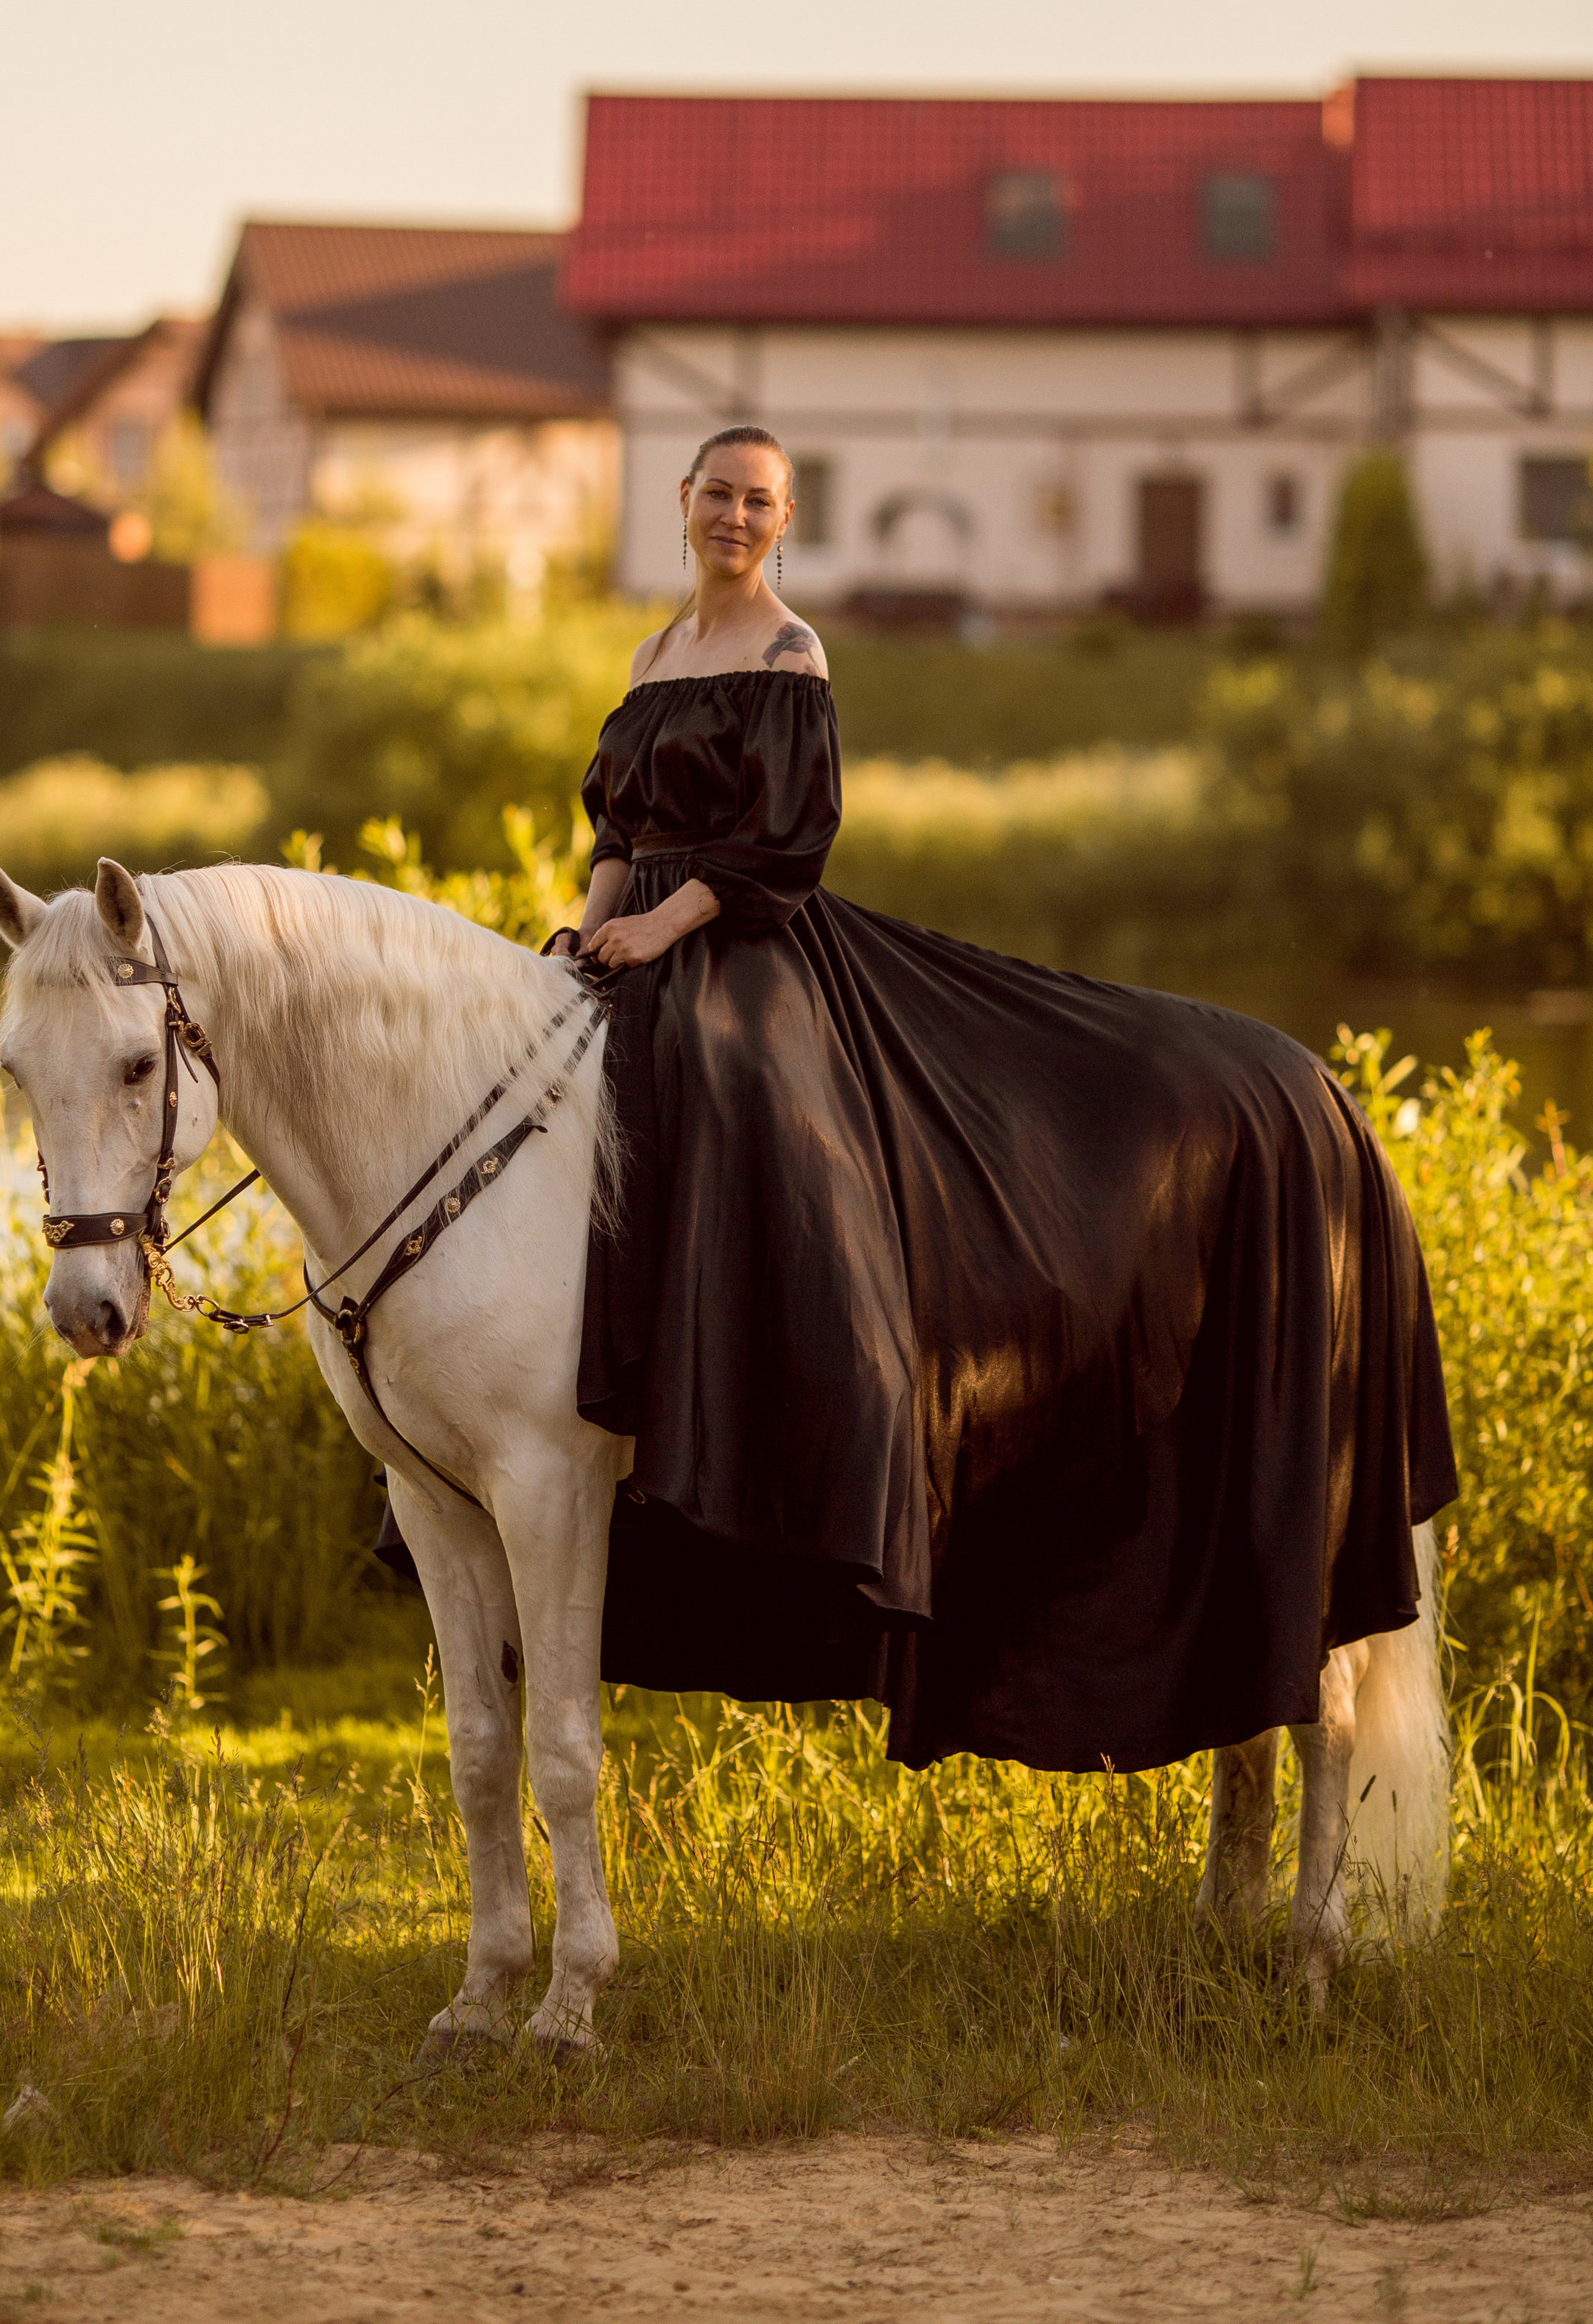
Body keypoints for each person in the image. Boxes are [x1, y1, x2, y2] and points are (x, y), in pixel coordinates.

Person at [550, 427, 1454, 1777]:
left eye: (759, 501)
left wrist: (669, 931)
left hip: (745, 952)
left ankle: (832, 1407)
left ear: (783, 518)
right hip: (636, 942)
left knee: (752, 1110)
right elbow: (617, 835)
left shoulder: (793, 657)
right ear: (681, 506)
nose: (734, 517)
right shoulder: (649, 659)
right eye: (716, 496)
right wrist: (580, 938)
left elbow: (785, 847)